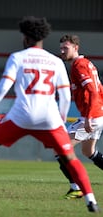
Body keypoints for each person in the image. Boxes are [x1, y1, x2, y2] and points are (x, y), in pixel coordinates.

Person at [0, 16, 100, 213]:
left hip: (21, 115)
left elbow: (3, 87)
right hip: (48, 118)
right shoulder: (55, 61)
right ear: (43, 37)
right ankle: (91, 201)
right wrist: (61, 120)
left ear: (25, 37)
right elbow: (65, 96)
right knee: (70, 157)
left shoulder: (18, 57)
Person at [55, 34, 103, 200]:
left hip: (91, 117)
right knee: (88, 151)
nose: (62, 51)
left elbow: (93, 91)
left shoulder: (79, 65)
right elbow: (99, 88)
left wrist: (89, 117)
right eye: (61, 48)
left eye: (65, 48)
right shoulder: (87, 63)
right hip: (98, 114)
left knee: (61, 149)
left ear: (76, 48)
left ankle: (76, 188)